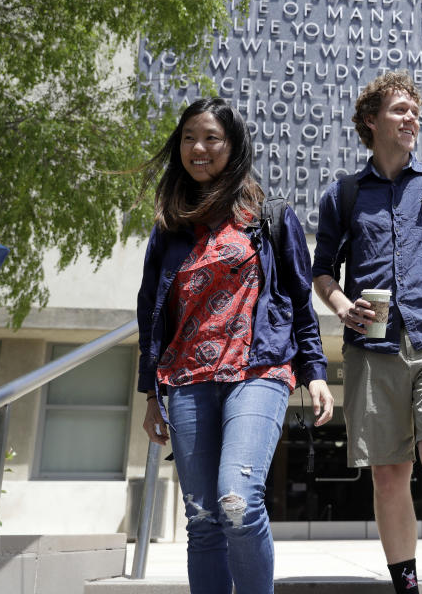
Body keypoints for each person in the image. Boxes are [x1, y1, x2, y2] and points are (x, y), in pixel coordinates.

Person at [136, 97, 334, 594]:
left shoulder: (269, 216)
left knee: (237, 502)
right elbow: (151, 316)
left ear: (235, 145)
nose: (197, 148)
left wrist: (314, 372)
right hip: (185, 381)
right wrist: (149, 395)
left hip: (258, 370)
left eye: (211, 138)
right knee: (202, 518)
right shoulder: (170, 227)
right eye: (187, 138)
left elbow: (298, 300)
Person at [312, 70, 422, 594]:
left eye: (415, 110)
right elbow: (322, 269)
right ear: (371, 122)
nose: (412, 117)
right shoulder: (343, 194)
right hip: (373, 346)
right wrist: (341, 304)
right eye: (399, 110)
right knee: (389, 471)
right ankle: (407, 586)